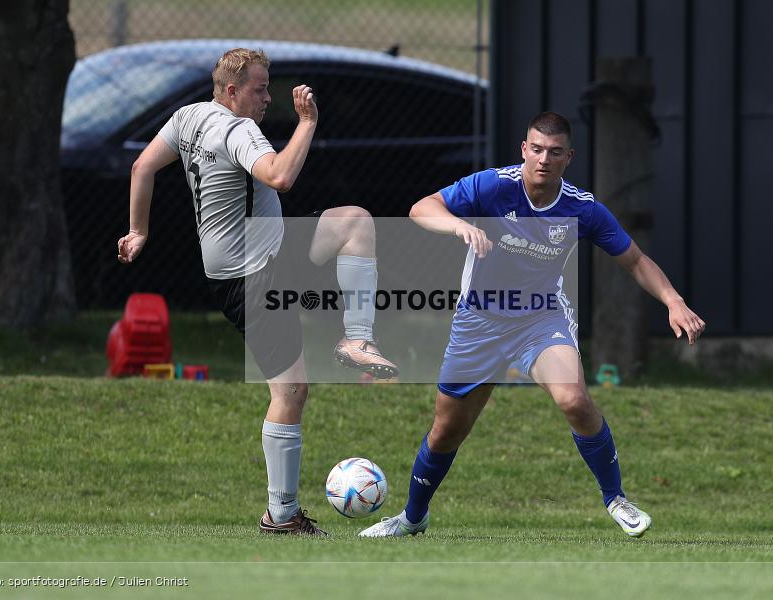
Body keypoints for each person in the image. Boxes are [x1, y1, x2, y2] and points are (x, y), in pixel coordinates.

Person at [359, 111, 705, 539]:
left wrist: (673, 301)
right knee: (446, 431)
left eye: (554, 152)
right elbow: (421, 208)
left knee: (575, 401)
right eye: (536, 149)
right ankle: (412, 518)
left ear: (569, 157)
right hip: (479, 322)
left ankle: (616, 499)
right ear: (524, 149)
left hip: (540, 318)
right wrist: (458, 225)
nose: (543, 159)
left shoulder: (583, 208)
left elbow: (633, 260)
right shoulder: (493, 186)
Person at [117, 48, 398, 536]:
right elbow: (281, 176)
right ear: (232, 91)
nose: (269, 98)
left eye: (269, 88)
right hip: (255, 277)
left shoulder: (187, 118)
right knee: (290, 392)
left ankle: (357, 338)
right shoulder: (237, 129)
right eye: (260, 88)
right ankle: (282, 514)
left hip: (266, 256)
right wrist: (307, 123)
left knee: (355, 222)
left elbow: (142, 166)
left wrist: (138, 231)